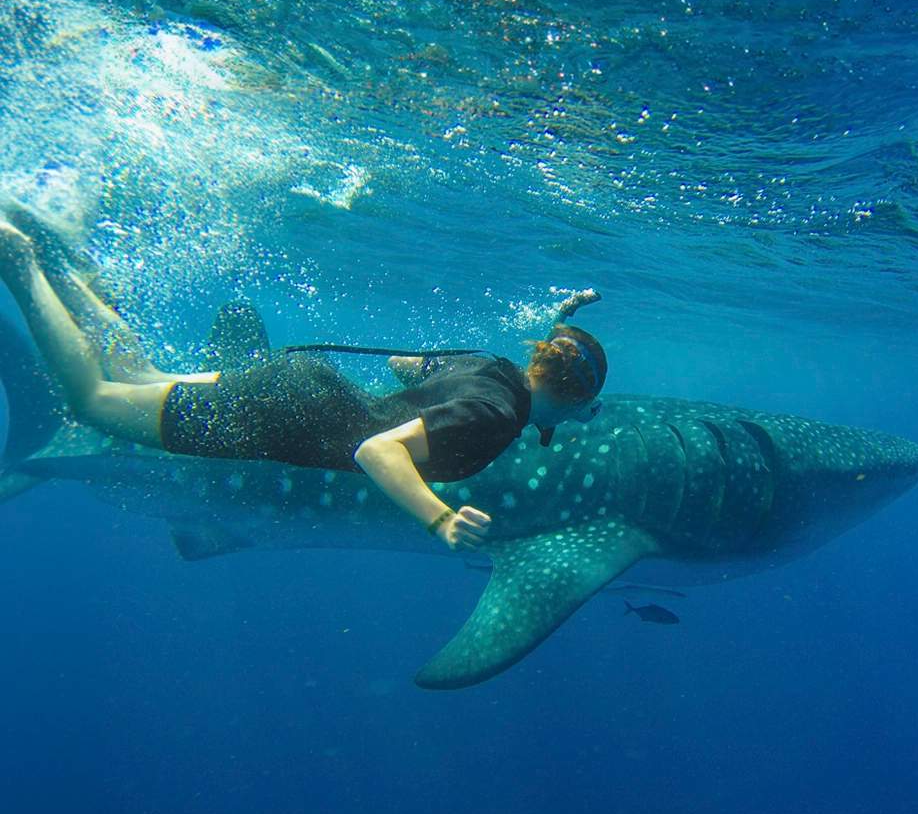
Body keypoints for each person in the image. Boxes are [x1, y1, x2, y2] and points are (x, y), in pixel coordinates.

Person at [0, 203, 606, 552]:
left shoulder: (495, 369)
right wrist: (440, 519)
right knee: (92, 399)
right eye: (588, 407)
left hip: (302, 385)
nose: (583, 419)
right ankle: (20, 264)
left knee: (140, 372)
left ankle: (57, 268)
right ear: (575, 400)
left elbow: (404, 368)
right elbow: (376, 451)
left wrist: (561, 323)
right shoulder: (496, 418)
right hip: (280, 418)